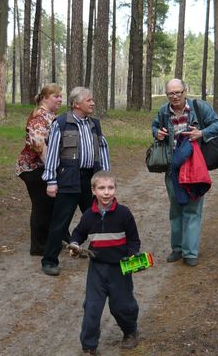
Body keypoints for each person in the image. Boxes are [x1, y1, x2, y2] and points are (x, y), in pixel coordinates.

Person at [151, 78, 218, 267]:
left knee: (192, 209)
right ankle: (177, 249)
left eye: (178, 92)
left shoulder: (200, 107)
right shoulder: (163, 111)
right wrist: (157, 133)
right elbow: (155, 127)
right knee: (175, 209)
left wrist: (202, 133)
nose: (175, 96)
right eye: (171, 93)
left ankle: (190, 253)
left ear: (185, 91)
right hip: (172, 168)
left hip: (194, 168)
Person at [67, 171, 140, 354]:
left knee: (122, 306)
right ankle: (89, 346)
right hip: (97, 269)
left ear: (115, 189)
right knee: (92, 306)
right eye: (101, 188)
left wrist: (133, 255)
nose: (106, 192)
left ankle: (130, 332)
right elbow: (78, 233)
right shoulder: (88, 215)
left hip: (120, 268)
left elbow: (134, 240)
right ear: (93, 190)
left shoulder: (124, 213)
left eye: (110, 188)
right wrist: (74, 245)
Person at [41, 86, 110, 276]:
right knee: (60, 222)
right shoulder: (61, 123)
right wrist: (51, 181)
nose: (93, 103)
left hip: (90, 179)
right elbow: (53, 152)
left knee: (97, 217)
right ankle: (49, 261)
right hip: (68, 179)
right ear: (76, 104)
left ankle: (103, 255)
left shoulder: (94, 124)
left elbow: (102, 148)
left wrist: (105, 176)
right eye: (89, 100)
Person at [16, 83, 63, 255]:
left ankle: (53, 240)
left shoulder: (50, 115)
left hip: (43, 167)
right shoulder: (39, 117)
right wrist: (53, 170)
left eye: (61, 96)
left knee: (50, 204)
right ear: (44, 98)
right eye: (56, 96)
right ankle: (39, 247)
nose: (60, 99)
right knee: (41, 205)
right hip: (33, 168)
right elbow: (39, 146)